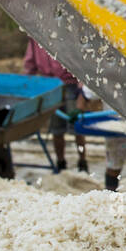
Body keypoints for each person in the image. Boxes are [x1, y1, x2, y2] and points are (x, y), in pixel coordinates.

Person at [23, 37, 89, 173]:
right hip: (50, 85)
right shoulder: (35, 37)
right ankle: (61, 162)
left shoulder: (64, 33)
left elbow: (81, 60)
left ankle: (82, 161)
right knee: (56, 129)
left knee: (77, 125)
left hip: (71, 84)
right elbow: (30, 62)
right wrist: (27, 84)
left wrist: (82, 90)